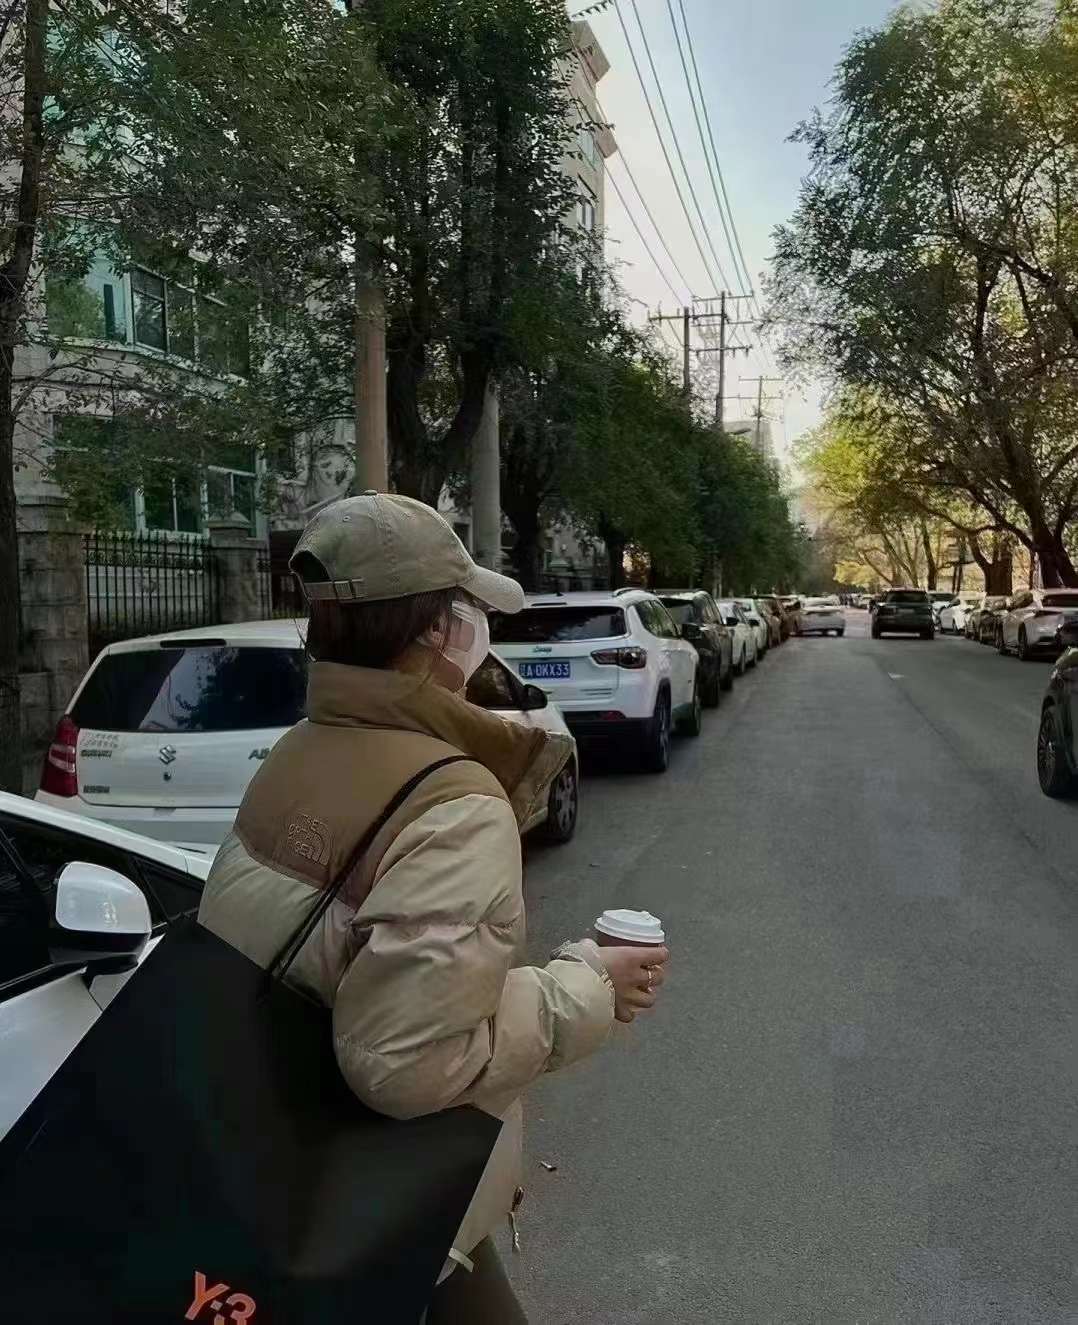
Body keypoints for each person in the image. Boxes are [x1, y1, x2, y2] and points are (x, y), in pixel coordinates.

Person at [198, 492, 669, 1322]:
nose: (476, 628)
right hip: (374, 1194)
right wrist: (587, 982)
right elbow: (405, 1062)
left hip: (281, 1146)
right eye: (465, 608)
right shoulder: (453, 802)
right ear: (436, 633)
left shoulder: (298, 750)